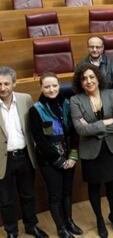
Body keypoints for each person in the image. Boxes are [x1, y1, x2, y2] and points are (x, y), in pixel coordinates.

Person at [70, 64, 113, 238]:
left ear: (98, 78)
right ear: (80, 82)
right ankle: (100, 220)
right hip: (91, 153)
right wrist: (106, 123)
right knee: (94, 188)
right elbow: (80, 130)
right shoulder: (75, 100)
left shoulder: (111, 94)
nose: (89, 81)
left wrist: (93, 127)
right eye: (84, 78)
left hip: (111, 149)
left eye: (91, 77)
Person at [29, 72, 83, 238]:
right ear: (41, 88)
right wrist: (59, 161)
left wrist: (73, 157)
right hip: (49, 160)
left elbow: (74, 131)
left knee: (67, 192)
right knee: (55, 195)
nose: (51, 89)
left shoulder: (67, 103)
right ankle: (61, 228)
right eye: (47, 86)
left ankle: (69, 221)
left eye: (54, 85)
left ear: (59, 86)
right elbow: (41, 141)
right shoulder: (36, 110)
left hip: (69, 157)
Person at [0, 66, 49, 238]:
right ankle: (11, 231)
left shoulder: (25, 99)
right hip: (3, 160)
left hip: (25, 156)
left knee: (28, 195)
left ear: (14, 83)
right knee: (6, 201)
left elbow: (34, 127)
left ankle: (31, 225)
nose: (2, 88)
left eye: (6, 83)